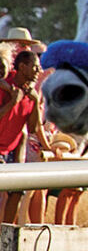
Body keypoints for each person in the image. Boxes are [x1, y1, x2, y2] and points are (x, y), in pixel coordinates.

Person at [0, 47, 52, 224]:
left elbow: (32, 128)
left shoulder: (31, 94)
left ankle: (5, 235)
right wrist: (13, 101)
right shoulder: (4, 84)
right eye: (35, 67)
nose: (39, 71)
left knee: (17, 191)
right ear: (22, 67)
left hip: (12, 149)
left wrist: (36, 101)